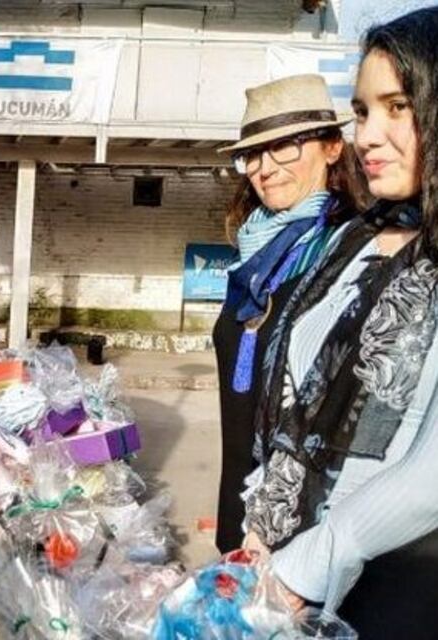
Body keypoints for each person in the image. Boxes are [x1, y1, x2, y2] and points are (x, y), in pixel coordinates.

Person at [242, 8, 438, 637]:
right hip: (289, 570)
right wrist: (262, 520)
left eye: (398, 106)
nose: (369, 135)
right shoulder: (354, 239)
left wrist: (314, 560)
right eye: (361, 112)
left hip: (396, 583)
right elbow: (295, 398)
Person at [212, 74, 367, 553]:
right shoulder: (251, 258)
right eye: (254, 153)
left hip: (305, 533)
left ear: (332, 147)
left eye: (287, 146)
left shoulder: (354, 253)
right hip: (239, 521)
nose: (265, 167)